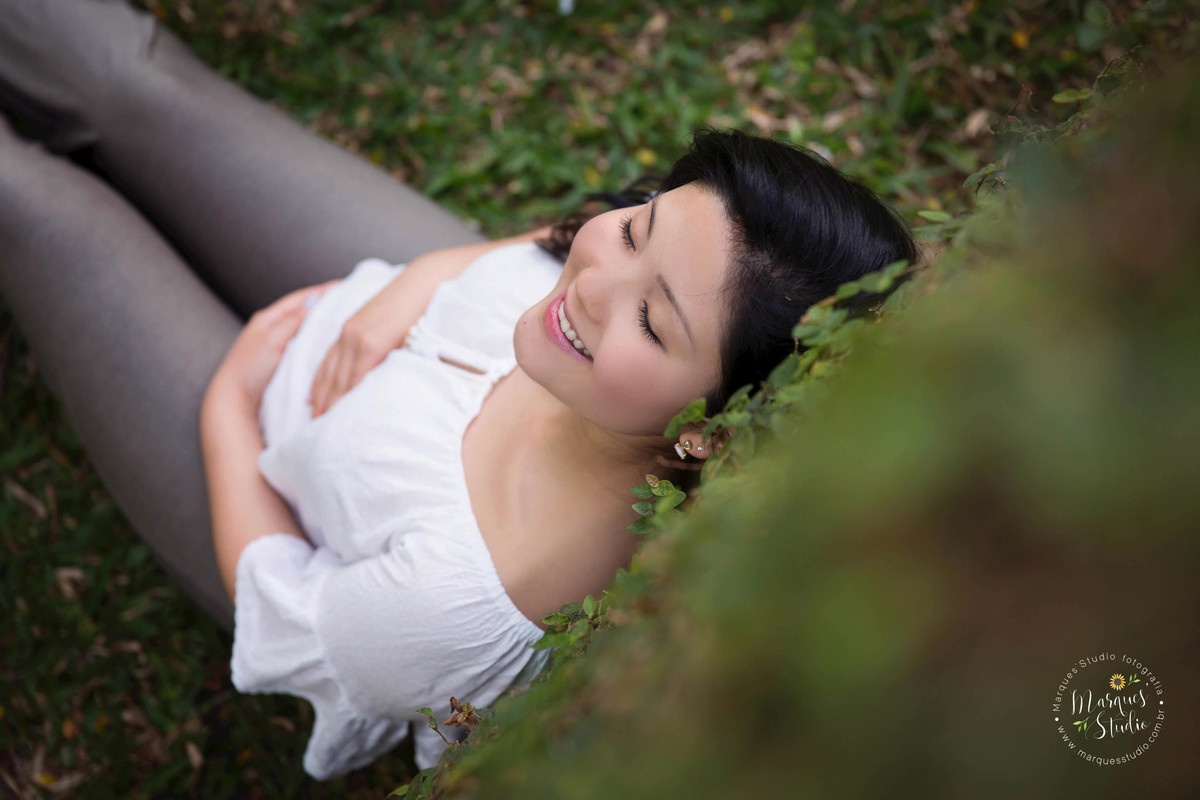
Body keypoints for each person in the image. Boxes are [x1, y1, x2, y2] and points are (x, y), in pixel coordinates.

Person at [0, 0, 919, 780]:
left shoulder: (464, 600)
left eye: (653, 320)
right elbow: (573, 245)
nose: (592, 279)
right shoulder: (586, 303)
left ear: (712, 433)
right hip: (403, 305)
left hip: (273, 488)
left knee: (42, 212)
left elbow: (283, 609)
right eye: (639, 227)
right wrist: (429, 271)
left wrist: (230, 403)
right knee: (132, 80)